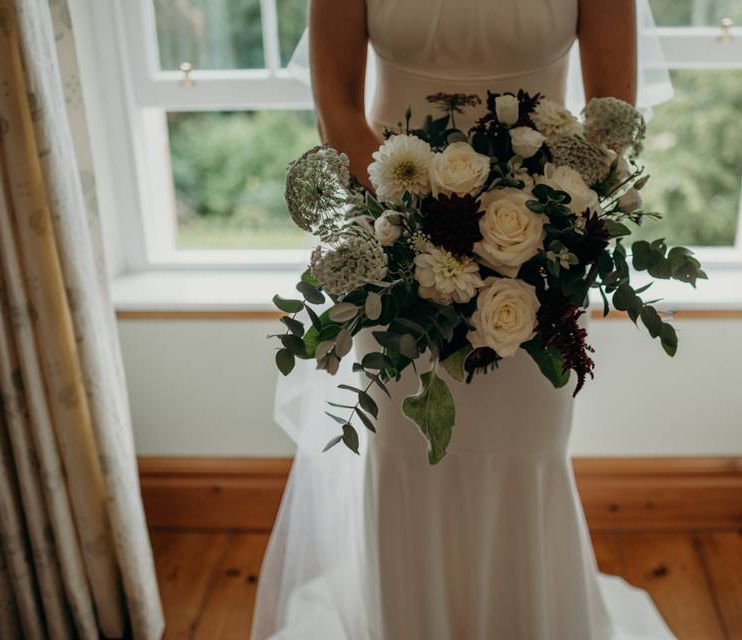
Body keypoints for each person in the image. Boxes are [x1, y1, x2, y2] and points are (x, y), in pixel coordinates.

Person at [252, 1, 674, 638]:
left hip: (540, 250)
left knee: (526, 449)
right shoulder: (398, 241)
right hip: (396, 253)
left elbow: (610, 118)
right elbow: (336, 103)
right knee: (408, 452)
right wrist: (409, 234)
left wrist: (547, 224)